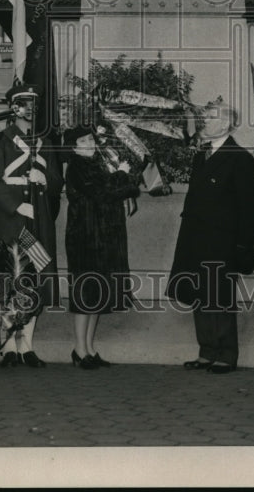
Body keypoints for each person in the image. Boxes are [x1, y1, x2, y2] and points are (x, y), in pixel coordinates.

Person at [168, 103, 254, 374]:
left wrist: (243, 245)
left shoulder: (240, 158)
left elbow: (251, 206)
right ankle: (207, 351)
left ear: (226, 124)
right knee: (199, 295)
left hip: (222, 241)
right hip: (196, 238)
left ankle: (226, 354)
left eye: (210, 118)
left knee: (219, 298)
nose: (204, 121)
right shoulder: (202, 155)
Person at [0, 84, 63, 368]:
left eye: (34, 103)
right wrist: (15, 206)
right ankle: (7, 347)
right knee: (9, 279)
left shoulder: (46, 140)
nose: (31, 109)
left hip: (39, 218)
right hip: (13, 219)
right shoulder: (2, 139)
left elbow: (57, 182)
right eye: (25, 103)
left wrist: (44, 178)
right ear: (14, 107)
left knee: (34, 280)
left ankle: (27, 345)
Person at [64, 125, 140, 369]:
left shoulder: (96, 163)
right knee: (86, 294)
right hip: (85, 238)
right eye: (83, 140)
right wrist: (121, 174)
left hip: (101, 236)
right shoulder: (78, 166)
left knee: (96, 295)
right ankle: (78, 348)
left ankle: (89, 348)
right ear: (74, 146)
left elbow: (121, 190)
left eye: (90, 139)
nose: (89, 143)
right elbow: (103, 192)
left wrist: (122, 179)